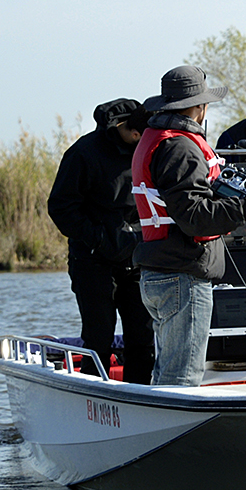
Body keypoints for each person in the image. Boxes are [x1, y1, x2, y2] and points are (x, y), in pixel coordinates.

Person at [130, 65, 246, 386]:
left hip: (161, 272)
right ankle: (172, 436)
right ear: (199, 107)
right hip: (182, 277)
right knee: (181, 379)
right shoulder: (182, 147)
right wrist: (245, 205)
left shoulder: (158, 139)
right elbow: (195, 218)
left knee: (167, 373)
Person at [47, 97, 154, 385]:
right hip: (93, 260)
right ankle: (94, 401)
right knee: (98, 339)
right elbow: (60, 207)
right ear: (129, 131)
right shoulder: (83, 153)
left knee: (144, 340)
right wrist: (101, 240)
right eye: (140, 136)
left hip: (136, 260)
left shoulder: (148, 151)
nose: (145, 141)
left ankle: (141, 399)